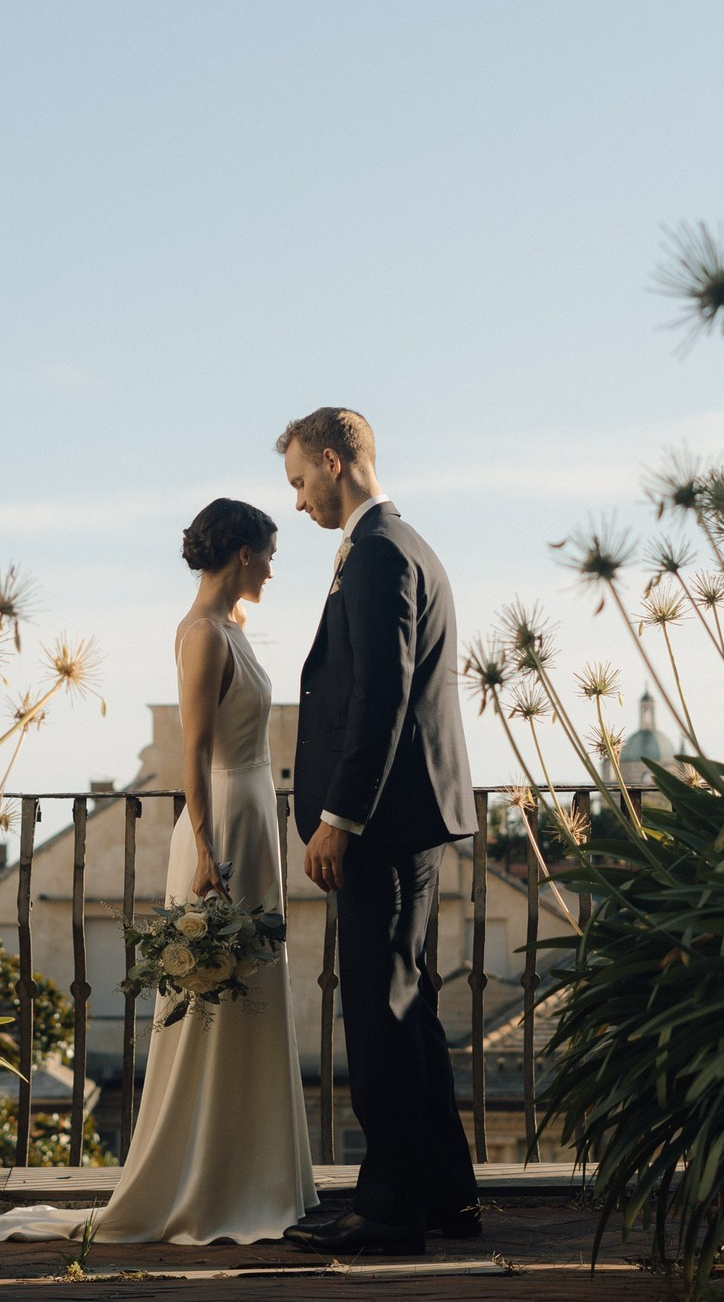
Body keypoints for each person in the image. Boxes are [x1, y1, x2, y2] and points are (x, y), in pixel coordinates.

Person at [0, 498, 318, 1246]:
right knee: (217, 992)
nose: (275, 570)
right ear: (243, 553)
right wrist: (209, 848)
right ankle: (210, 1178)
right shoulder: (201, 634)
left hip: (253, 819)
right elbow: (192, 751)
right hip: (223, 819)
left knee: (249, 983)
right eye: (270, 554)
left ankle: (256, 1172)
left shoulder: (234, 629)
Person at [275, 408, 479, 1257]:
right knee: (410, 1008)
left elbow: (382, 698)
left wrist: (339, 818)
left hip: (382, 825)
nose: (296, 502)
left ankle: (391, 1210)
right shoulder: (403, 545)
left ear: (334, 460)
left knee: (382, 1012)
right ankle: (444, 1196)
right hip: (404, 821)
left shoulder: (382, 553)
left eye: (298, 481)